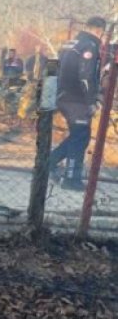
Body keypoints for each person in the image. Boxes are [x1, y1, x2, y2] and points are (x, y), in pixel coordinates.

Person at [49, 16, 106, 190]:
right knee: (80, 136)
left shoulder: (70, 42)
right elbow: (86, 76)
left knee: (78, 134)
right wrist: (92, 101)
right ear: (98, 30)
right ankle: (71, 178)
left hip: (62, 94)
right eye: (102, 33)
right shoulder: (90, 45)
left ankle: (47, 163)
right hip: (77, 98)